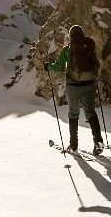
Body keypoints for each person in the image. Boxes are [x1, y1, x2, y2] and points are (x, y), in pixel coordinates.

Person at [45, 25, 105, 155]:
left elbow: (59, 67)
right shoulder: (88, 48)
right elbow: (97, 65)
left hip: (73, 85)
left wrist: (48, 66)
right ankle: (98, 140)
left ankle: (73, 146)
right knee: (90, 112)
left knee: (73, 114)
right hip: (89, 84)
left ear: (71, 36)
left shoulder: (68, 49)